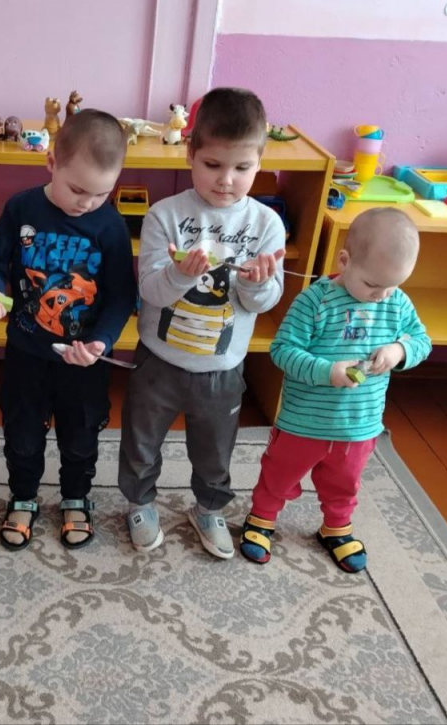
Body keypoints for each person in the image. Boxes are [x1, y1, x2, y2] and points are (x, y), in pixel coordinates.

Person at [117, 88, 286, 557]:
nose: (226, 180)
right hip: (158, 361)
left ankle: (209, 508)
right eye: (213, 164)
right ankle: (139, 502)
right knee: (140, 442)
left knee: (215, 450)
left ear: (259, 162)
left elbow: (265, 302)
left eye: (242, 168)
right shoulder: (164, 215)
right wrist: (179, 274)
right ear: (190, 152)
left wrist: (256, 284)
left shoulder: (266, 224)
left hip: (221, 368)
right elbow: (150, 292)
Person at [0, 109, 136, 551]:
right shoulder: (21, 208)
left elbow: (122, 295)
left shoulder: (111, 224)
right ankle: (23, 496)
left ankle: (76, 498)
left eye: (101, 193)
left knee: (81, 436)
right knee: (22, 433)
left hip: (84, 361)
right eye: (77, 189)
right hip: (26, 351)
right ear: (51, 163)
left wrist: (101, 341)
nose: (87, 203)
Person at [240, 207, 431, 572]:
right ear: (345, 261)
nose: (380, 295)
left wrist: (399, 350)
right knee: (279, 475)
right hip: (304, 422)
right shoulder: (316, 301)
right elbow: (282, 351)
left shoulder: (396, 303)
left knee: (345, 482)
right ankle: (262, 517)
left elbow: (422, 340)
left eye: (392, 286)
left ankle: (336, 527)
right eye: (372, 285)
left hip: (359, 425)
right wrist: (328, 372)